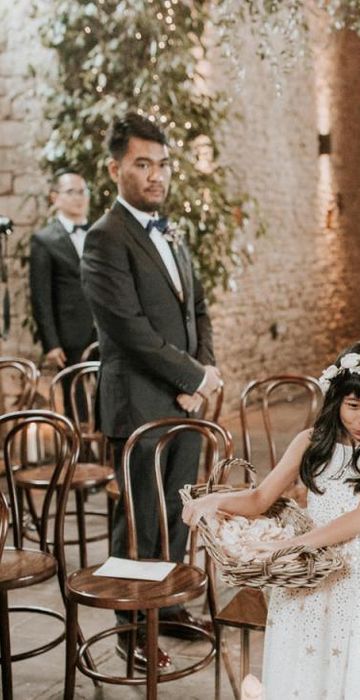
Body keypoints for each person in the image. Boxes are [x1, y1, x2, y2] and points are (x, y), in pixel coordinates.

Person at [183, 339, 360, 700]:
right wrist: (215, 500)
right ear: (336, 399)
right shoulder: (309, 441)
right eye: (354, 405)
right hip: (310, 569)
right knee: (306, 657)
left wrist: (292, 545)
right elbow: (261, 498)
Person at [81, 112, 222, 671]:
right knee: (139, 520)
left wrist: (203, 371)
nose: (156, 174)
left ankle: (165, 608)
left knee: (176, 512)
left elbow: (198, 309)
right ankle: (131, 630)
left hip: (182, 403)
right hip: (139, 404)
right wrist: (190, 378)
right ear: (116, 168)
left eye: (162, 164)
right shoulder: (104, 238)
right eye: (142, 164)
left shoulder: (171, 231)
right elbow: (129, 329)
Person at [29, 168, 97, 413]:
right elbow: (40, 296)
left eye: (83, 191)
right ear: (55, 197)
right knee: (74, 399)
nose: (79, 197)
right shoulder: (44, 240)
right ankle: (80, 448)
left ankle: (105, 448)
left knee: (108, 395)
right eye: (71, 192)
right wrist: (51, 343)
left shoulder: (98, 234)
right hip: (70, 334)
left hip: (104, 329)